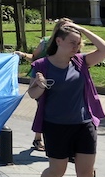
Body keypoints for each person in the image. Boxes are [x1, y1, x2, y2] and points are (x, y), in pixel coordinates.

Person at [28, 23, 105, 177]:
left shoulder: (81, 61)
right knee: (58, 170)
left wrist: (82, 29)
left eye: (79, 42)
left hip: (84, 125)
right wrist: (40, 85)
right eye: (73, 42)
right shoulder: (42, 65)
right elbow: (33, 95)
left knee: (86, 172)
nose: (77, 45)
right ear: (59, 41)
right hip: (55, 126)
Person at [18, 18, 73, 151]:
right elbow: (34, 57)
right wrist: (22, 54)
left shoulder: (72, 42)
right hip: (43, 78)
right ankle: (38, 138)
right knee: (43, 108)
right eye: (65, 28)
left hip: (62, 80)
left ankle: (63, 141)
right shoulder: (46, 42)